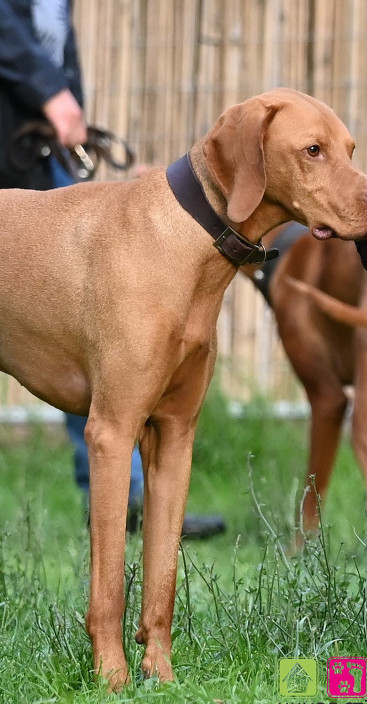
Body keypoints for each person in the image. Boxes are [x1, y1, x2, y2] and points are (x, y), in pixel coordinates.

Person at [0, 0, 225, 538]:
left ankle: (126, 499)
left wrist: (65, 110)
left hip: (40, 150)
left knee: (100, 338)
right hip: (13, 151)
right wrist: (50, 93)